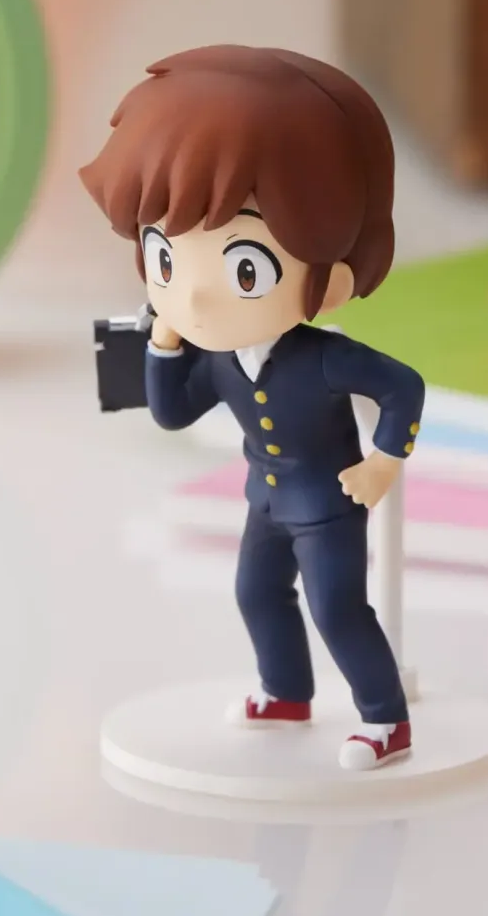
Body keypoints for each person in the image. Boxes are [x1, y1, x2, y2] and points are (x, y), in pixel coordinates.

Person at [80, 45, 425, 770]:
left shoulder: (323, 357)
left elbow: (403, 387)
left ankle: (385, 720)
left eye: (245, 267)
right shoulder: (217, 357)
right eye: (165, 257)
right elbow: (172, 414)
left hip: (329, 507)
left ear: (332, 278)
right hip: (265, 501)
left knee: (337, 608)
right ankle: (287, 692)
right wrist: (163, 345)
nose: (195, 294)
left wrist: (383, 462)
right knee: (256, 593)